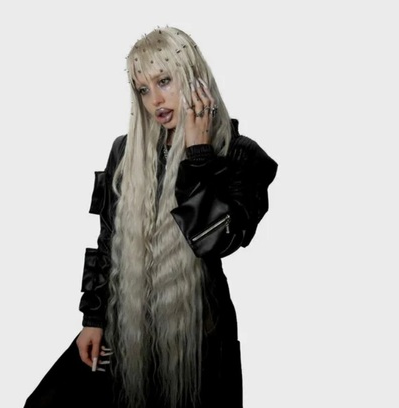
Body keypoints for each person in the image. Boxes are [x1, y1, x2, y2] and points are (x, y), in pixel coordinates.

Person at [24, 26, 278, 408]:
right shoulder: (125, 152)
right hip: (126, 329)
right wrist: (93, 319)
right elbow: (107, 238)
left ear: (194, 78)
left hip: (199, 338)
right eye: (143, 89)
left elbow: (215, 241)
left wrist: (198, 156)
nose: (155, 99)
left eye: (164, 81)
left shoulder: (240, 155)